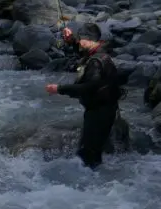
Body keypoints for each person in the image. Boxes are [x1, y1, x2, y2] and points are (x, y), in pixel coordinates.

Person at [45, 23, 123, 169]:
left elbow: (87, 88)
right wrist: (71, 40)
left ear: (89, 39)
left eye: (81, 39)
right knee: (91, 152)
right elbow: (82, 51)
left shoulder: (96, 62)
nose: (79, 42)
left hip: (100, 113)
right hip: (105, 108)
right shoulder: (99, 52)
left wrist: (59, 89)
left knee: (88, 155)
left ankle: (95, 186)